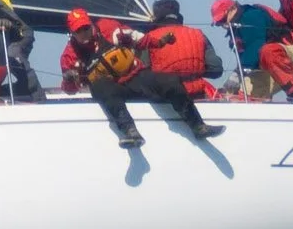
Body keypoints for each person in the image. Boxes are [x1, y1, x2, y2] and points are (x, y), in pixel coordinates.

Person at [73, 21, 223, 149]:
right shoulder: (71, 53)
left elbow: (138, 39)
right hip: (115, 89)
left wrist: (160, 42)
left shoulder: (108, 27)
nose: (83, 33)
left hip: (137, 77)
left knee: (170, 80)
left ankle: (198, 126)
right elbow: (216, 69)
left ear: (92, 25)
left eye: (86, 28)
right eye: (78, 31)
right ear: (73, 34)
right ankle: (130, 132)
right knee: (100, 86)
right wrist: (69, 80)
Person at [134, 0, 224, 99]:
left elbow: (141, 73)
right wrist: (195, 70)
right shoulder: (198, 34)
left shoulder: (149, 38)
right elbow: (216, 69)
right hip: (196, 96)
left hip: (165, 98)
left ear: (156, 17)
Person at [209, 0, 290, 98]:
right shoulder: (236, 30)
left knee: (244, 94)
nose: (223, 24)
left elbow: (256, 48)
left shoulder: (251, 17)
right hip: (266, 65)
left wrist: (237, 75)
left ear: (233, 8)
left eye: (223, 20)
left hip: (285, 58)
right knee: (236, 93)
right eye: (219, 23)